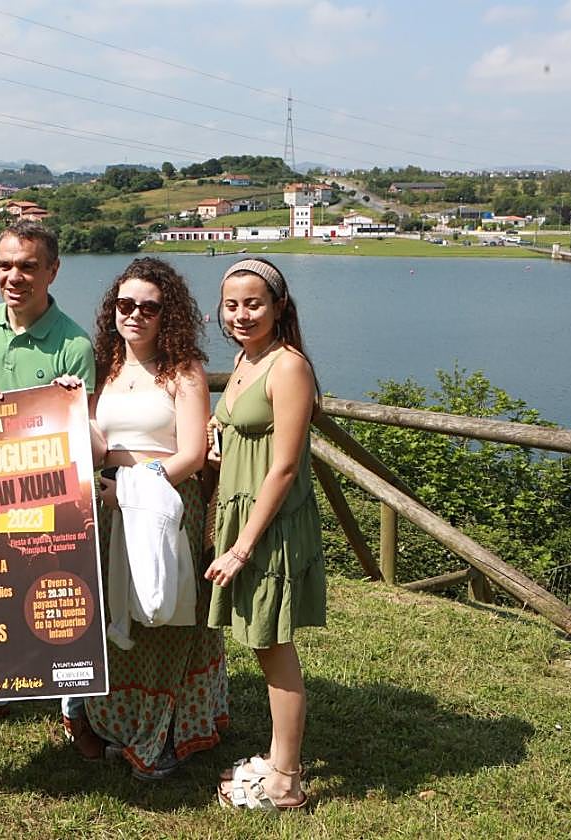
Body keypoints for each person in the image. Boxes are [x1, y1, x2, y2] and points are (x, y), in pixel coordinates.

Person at [0, 219, 97, 746]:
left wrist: (63, 402)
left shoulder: (74, 344)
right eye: (6, 265)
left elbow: (84, 433)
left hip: (50, 493)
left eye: (29, 266)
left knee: (59, 595)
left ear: (52, 270)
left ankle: (75, 708)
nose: (16, 276)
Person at [86, 257, 229, 780]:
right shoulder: (104, 366)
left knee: (166, 613)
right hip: (112, 505)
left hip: (166, 507)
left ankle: (167, 733)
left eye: (149, 307)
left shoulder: (183, 369)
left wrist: (129, 486)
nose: (136, 316)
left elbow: (191, 454)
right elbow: (102, 445)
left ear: (166, 313)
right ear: (113, 310)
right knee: (124, 614)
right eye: (126, 305)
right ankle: (121, 725)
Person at [206, 258, 324, 810]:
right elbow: (238, 421)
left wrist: (242, 546)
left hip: (269, 526)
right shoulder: (245, 360)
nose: (242, 314)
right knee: (263, 643)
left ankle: (286, 782)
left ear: (278, 306)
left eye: (254, 303)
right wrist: (217, 429)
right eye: (232, 304)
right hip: (246, 517)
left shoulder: (288, 367)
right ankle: (279, 761)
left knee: (274, 647)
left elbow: (282, 467)